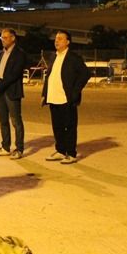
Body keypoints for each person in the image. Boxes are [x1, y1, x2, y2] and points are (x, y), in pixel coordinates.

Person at [41, 31, 91, 164]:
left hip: (66, 99)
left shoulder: (73, 58)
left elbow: (85, 74)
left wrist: (75, 92)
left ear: (67, 42)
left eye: (60, 39)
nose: (56, 41)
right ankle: (60, 151)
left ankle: (71, 153)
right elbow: (49, 77)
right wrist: (44, 94)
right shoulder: (53, 57)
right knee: (57, 127)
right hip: (53, 97)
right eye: (56, 38)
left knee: (69, 127)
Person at [0, 28, 28, 160]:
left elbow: (14, 74)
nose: (3, 40)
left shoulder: (20, 54)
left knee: (16, 121)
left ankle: (19, 148)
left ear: (13, 38)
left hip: (11, 91)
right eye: (2, 38)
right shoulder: (0, 54)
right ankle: (5, 147)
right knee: (2, 121)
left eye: (5, 38)